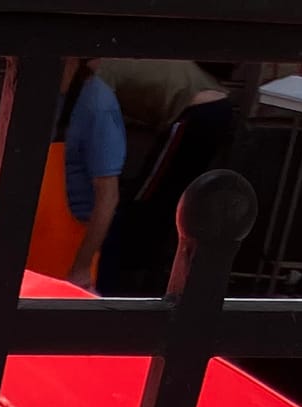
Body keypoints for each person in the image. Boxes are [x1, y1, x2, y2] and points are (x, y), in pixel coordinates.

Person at [100, 66, 240, 295]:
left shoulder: (100, 75)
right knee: (167, 198)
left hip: (197, 111)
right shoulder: (122, 64)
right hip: (215, 106)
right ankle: (147, 272)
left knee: (147, 193)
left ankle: (128, 273)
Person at [28, 59, 128, 288]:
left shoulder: (97, 103)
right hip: (27, 254)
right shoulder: (36, 93)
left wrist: (81, 267)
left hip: (66, 259)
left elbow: (108, 197)